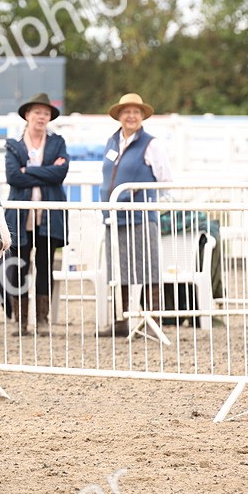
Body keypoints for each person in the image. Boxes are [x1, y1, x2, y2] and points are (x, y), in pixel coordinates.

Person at [99, 92, 173, 336]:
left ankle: (153, 320)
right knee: (116, 268)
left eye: (136, 112)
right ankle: (120, 320)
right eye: (127, 112)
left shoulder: (152, 144)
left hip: (141, 215)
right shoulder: (112, 142)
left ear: (142, 116)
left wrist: (147, 198)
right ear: (119, 116)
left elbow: (165, 179)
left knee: (148, 266)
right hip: (113, 216)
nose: (131, 116)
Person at [3, 92, 69, 335]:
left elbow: (60, 174)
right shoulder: (14, 144)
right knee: (19, 266)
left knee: (45, 265)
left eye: (46, 113)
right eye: (37, 112)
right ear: (27, 115)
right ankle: (20, 321)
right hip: (21, 215)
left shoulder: (57, 142)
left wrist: (28, 170)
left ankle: (42, 319)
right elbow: (13, 177)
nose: (41, 117)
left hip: (48, 215)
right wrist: (47, 171)